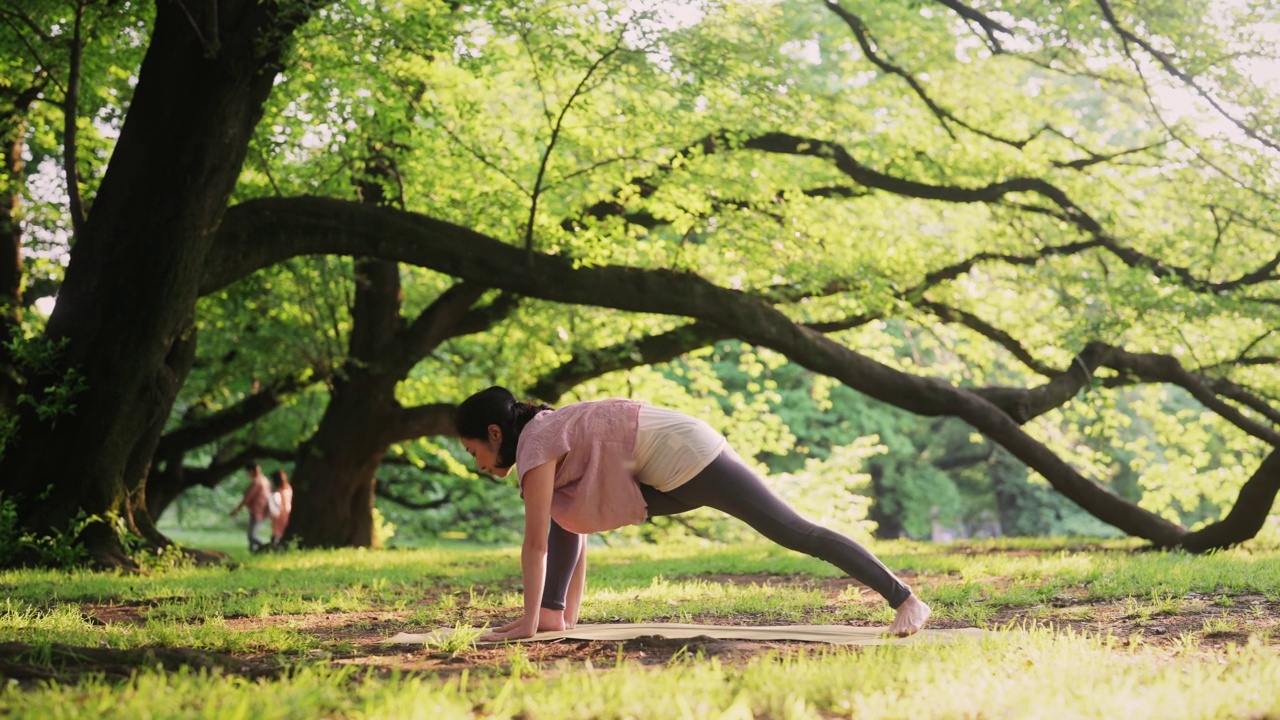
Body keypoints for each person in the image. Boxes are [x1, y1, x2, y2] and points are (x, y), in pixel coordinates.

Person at [455, 386, 931, 642]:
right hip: (663, 467)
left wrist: (525, 622)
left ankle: (905, 598)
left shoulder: (536, 444)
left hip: (688, 454)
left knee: (793, 531)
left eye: (473, 449)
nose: (476, 463)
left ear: (496, 433)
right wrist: (555, 617)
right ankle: (554, 612)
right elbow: (569, 521)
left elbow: (535, 544)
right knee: (563, 507)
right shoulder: (543, 433)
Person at [229, 463, 272, 551]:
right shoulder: (265, 481)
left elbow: (247, 498)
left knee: (251, 536)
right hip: (261, 510)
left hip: (257, 511)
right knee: (252, 534)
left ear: (251, 471)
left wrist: (236, 510)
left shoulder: (257, 482)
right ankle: (253, 553)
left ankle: (267, 548)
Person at [270, 469, 294, 550]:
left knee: (277, 533)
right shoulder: (289, 488)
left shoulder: (278, 491)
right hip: (287, 512)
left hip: (280, 514)